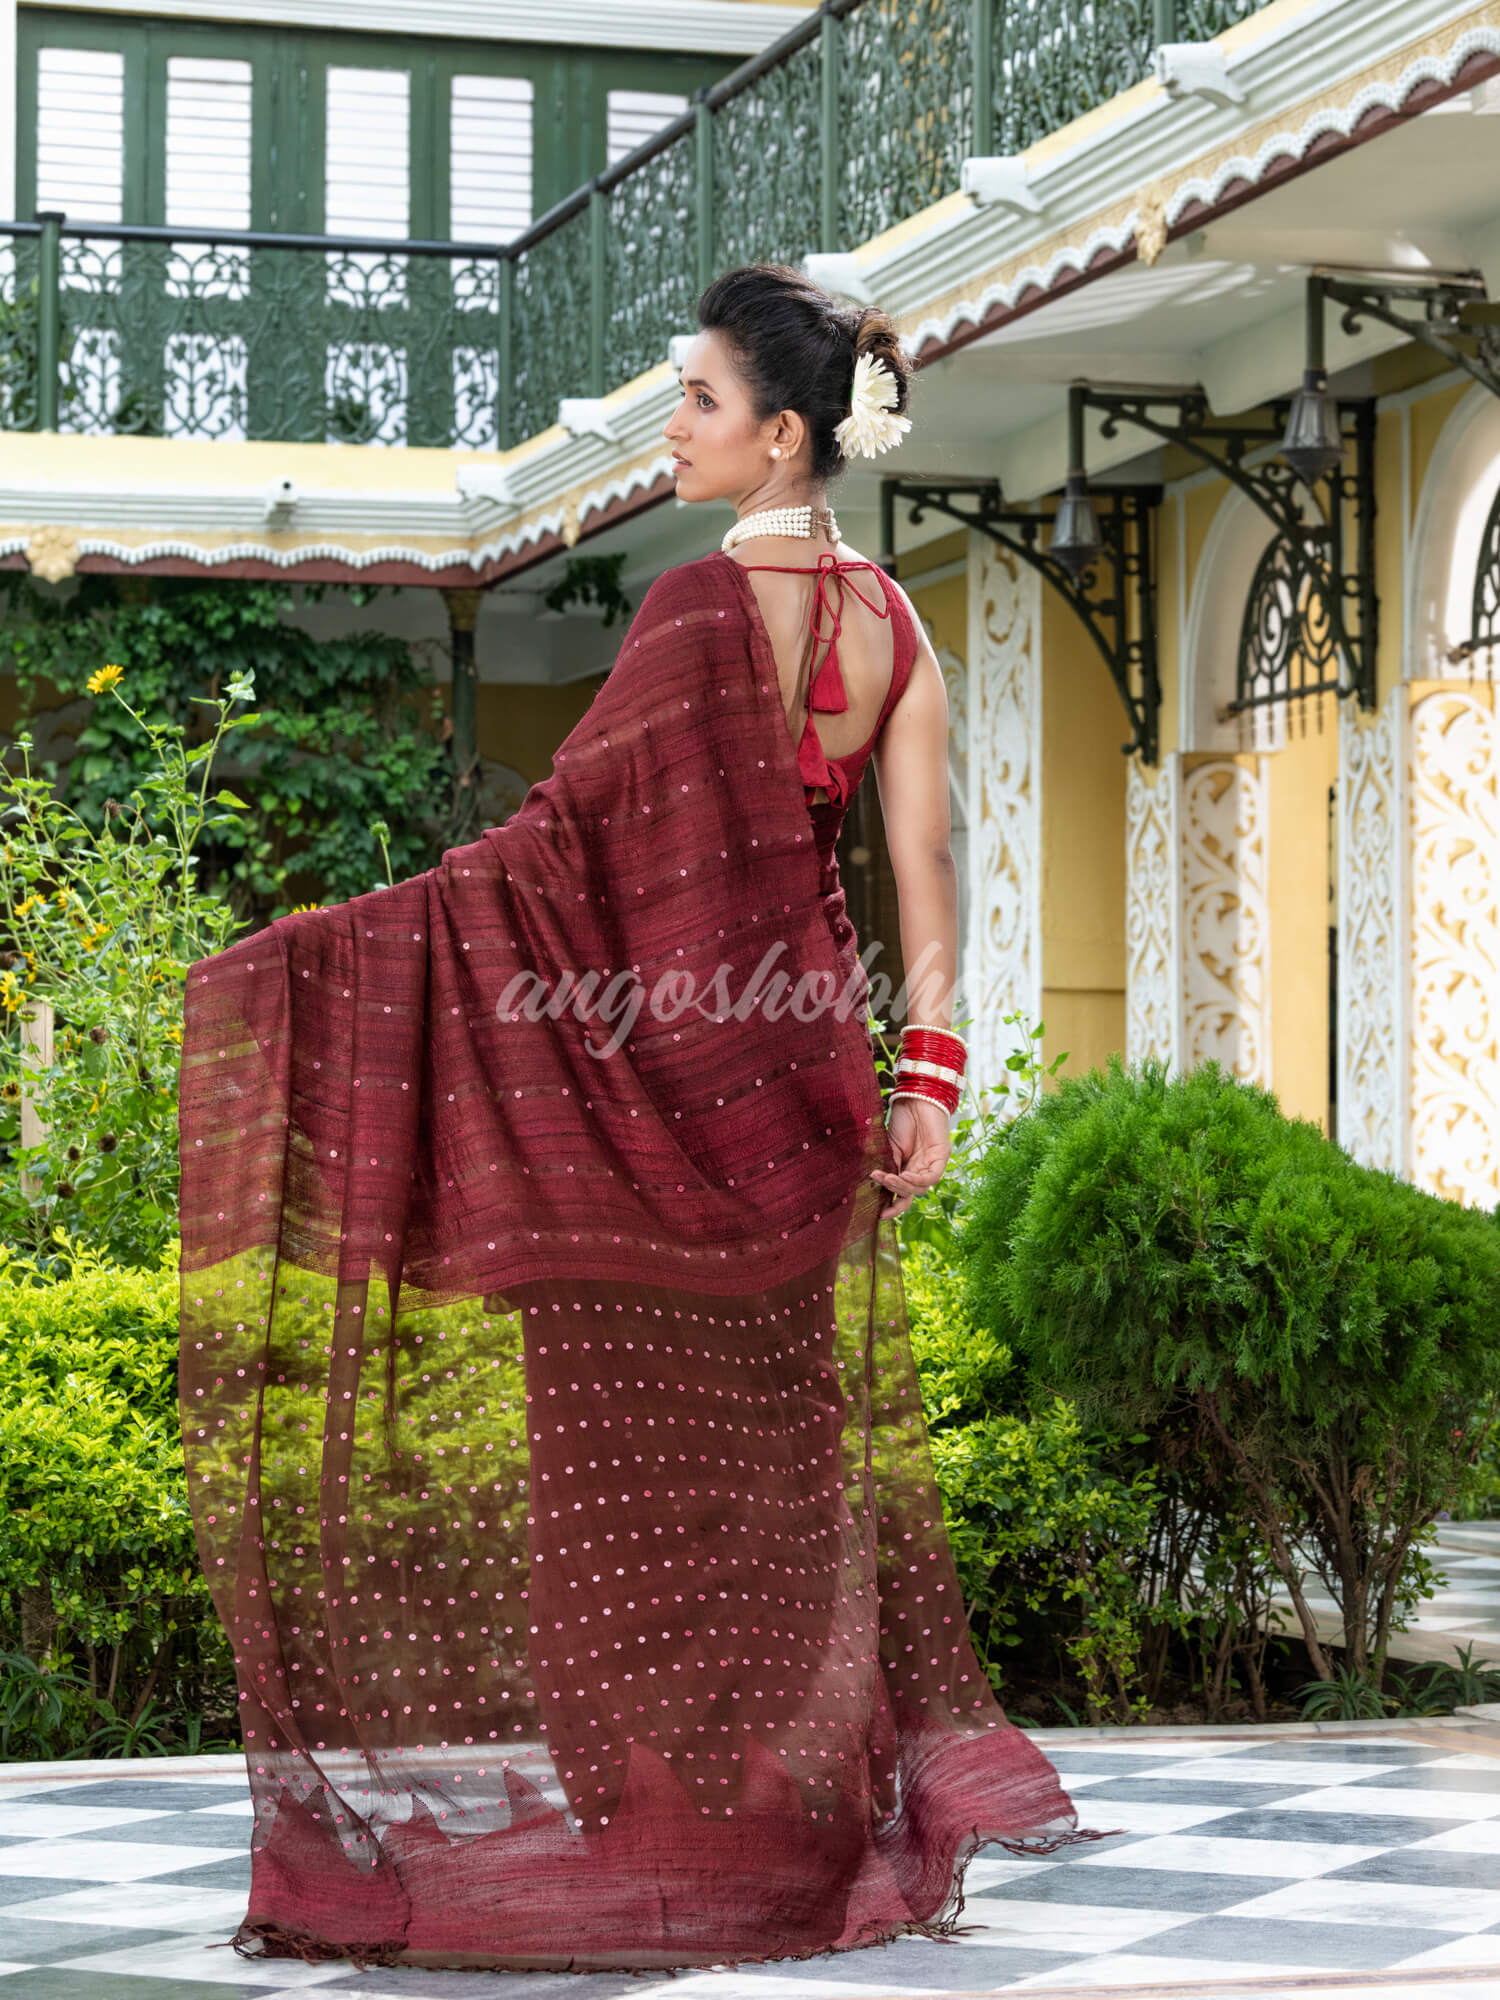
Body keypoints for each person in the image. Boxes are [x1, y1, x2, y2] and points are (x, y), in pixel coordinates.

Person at [176, 263, 1090, 1976]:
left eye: (698, 400)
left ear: (784, 435)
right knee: (775, 1476)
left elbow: (545, 857)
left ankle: (665, 1840)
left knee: (619, 1483)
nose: (672, 427)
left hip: (632, 1097)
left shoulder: (693, 610)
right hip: (802, 1090)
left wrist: (308, 961)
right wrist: (930, 1079)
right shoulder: (893, 628)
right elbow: (925, 866)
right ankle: (777, 1842)